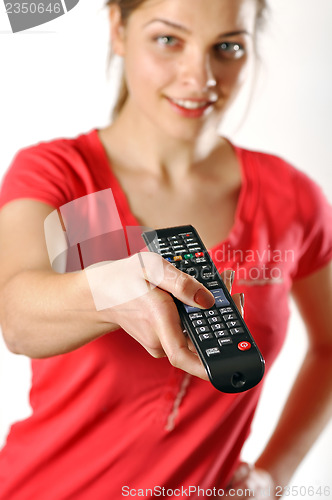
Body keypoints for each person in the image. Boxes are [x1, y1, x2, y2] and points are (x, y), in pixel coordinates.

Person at [0, 0, 331, 498]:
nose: (200, 78)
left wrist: (271, 477)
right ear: (118, 28)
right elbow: (16, 316)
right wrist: (107, 291)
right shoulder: (59, 174)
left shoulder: (293, 199)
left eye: (227, 48)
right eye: (168, 39)